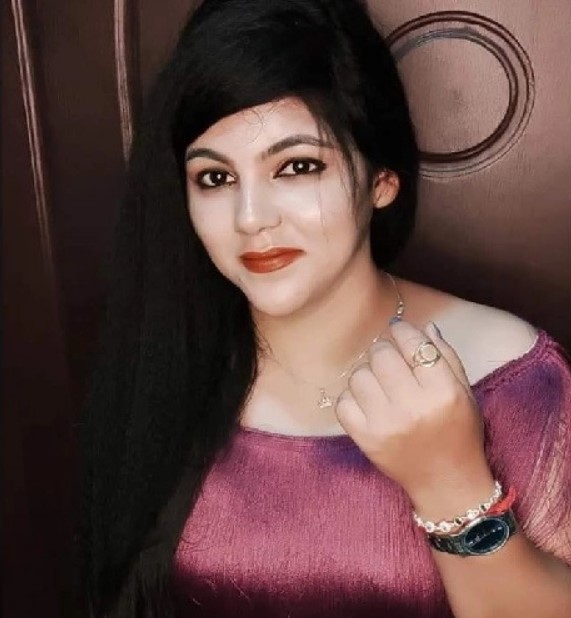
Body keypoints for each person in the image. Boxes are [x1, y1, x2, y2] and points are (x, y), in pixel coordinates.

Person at [75, 0, 571, 616]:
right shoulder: (169, 366)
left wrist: (450, 480)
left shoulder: (508, 373)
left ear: (382, 180)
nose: (251, 218)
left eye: (297, 166)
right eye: (215, 178)